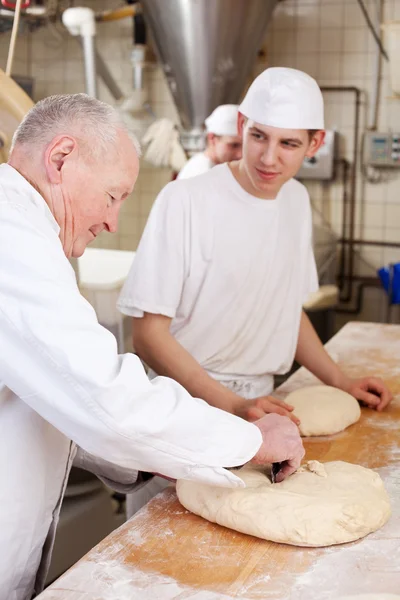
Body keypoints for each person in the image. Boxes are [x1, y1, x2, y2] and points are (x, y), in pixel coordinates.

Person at [0, 93, 305, 600]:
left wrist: (145, 460)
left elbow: (53, 397)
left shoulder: (28, 230)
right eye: (113, 196)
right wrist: (250, 441)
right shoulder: (11, 239)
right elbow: (103, 396)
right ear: (60, 158)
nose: (114, 222)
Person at [118, 68, 393, 513]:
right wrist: (235, 405)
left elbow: (286, 309)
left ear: (315, 144)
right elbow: (148, 335)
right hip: (187, 409)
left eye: (288, 144)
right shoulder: (185, 201)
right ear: (242, 126)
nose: (269, 158)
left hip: (263, 411)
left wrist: (340, 381)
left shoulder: (296, 202)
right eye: (259, 136)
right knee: (166, 547)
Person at [177, 104, 242, 179]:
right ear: (212, 139)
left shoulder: (216, 168)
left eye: (244, 146)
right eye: (234, 145)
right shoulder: (202, 173)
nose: (240, 154)